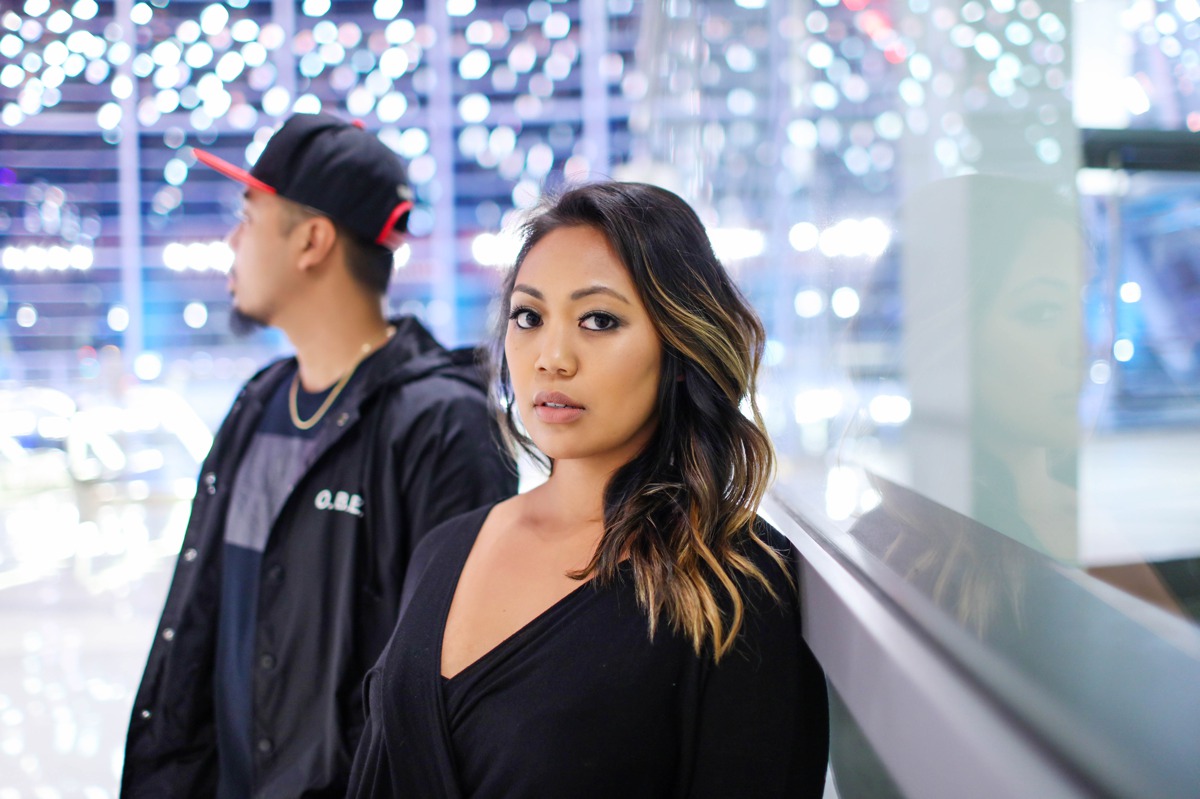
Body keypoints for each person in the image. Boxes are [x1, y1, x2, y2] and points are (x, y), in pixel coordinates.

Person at [346, 181, 830, 797]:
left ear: (677, 344)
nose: (552, 357)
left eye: (599, 320)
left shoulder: (729, 582)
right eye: (529, 317)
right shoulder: (443, 549)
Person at [120, 112, 518, 798]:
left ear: (312, 240)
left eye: (248, 217)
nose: (232, 242)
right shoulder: (259, 405)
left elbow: (458, 697)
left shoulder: (441, 428)